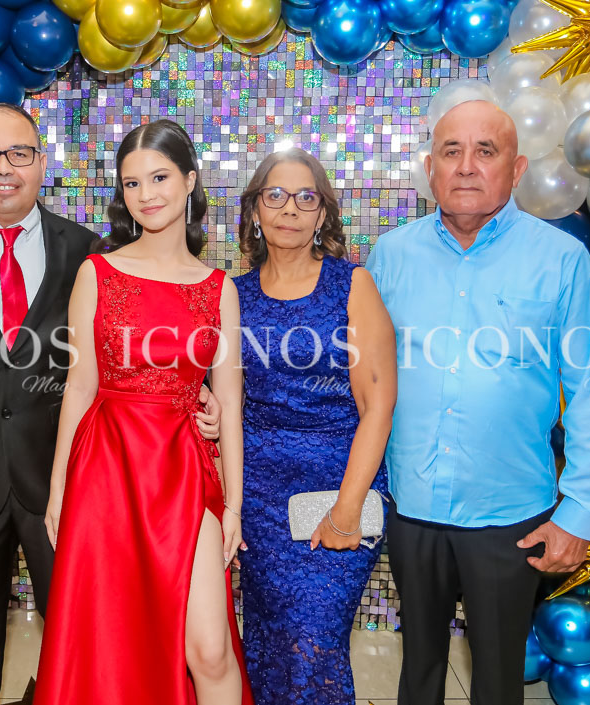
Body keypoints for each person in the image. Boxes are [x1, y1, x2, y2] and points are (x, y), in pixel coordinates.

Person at [0, 104, 220, 705]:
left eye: (18, 153)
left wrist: (200, 395)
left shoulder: (84, 250)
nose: (3, 168)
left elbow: (134, 349)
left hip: (72, 486)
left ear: (41, 163)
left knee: (84, 645)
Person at [365, 100, 590, 705]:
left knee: (499, 678)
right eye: (451, 151)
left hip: (510, 513)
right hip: (412, 505)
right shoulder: (390, 255)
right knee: (418, 667)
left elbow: (589, 388)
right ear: (430, 167)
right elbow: (367, 378)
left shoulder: (561, 259)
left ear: (517, 167)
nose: (466, 166)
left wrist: (580, 511)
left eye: (486, 151)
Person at [33, 119, 253, 705]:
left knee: (210, 650)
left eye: (159, 178)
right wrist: (58, 489)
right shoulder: (97, 272)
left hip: (185, 472)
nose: (147, 195)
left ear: (190, 181)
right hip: (106, 471)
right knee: (114, 637)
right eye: (132, 184)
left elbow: (229, 401)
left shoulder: (218, 288)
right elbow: (80, 387)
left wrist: (233, 504)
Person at [234, 148, 396, 704]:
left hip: (337, 490)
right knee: (268, 641)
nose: (290, 208)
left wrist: (347, 510)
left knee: (313, 645)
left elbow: (378, 406)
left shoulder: (352, 285)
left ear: (322, 213)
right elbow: (224, 396)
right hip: (258, 500)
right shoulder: (233, 295)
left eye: (306, 197)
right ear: (256, 209)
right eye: (275, 195)